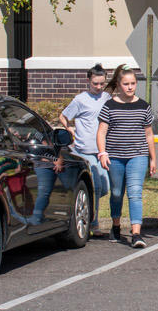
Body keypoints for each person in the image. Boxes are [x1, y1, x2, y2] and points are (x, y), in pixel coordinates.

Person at [95, 64, 156, 247]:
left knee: (135, 192)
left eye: (133, 84)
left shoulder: (143, 106)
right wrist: (102, 153)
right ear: (119, 85)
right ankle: (116, 225)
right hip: (115, 157)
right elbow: (101, 132)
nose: (130, 87)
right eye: (126, 84)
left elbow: (149, 134)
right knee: (116, 193)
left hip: (138, 155)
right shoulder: (110, 106)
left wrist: (152, 158)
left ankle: (136, 233)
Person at [58, 63, 111, 237]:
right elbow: (63, 116)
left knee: (105, 187)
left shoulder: (106, 98)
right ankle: (93, 224)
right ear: (89, 81)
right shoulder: (80, 99)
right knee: (96, 186)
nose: (99, 87)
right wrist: (69, 129)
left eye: (102, 83)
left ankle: (87, 210)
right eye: (95, 83)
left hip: (101, 151)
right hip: (84, 151)